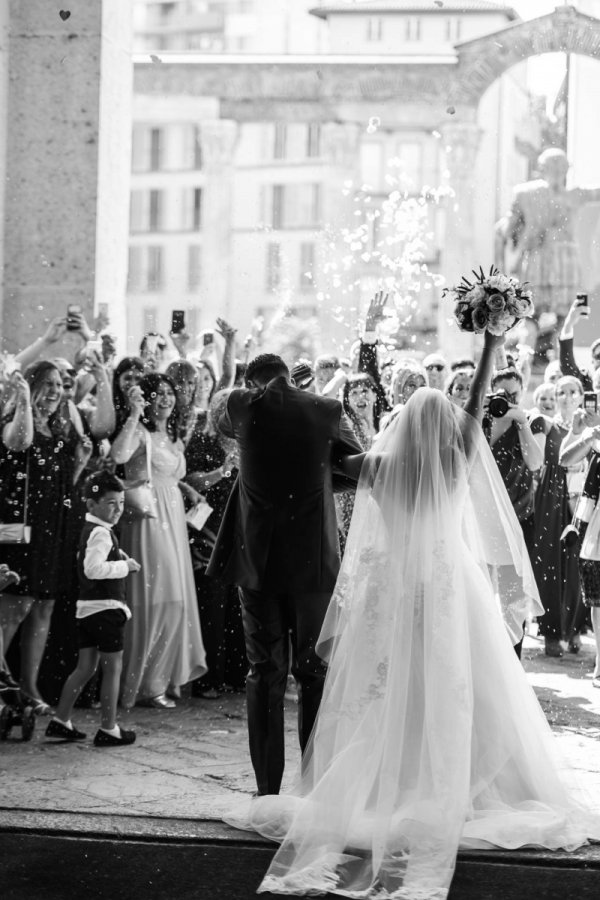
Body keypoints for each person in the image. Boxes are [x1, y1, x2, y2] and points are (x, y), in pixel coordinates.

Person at [229, 332, 600, 900]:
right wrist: (490, 343)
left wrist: (295, 430)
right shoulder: (456, 459)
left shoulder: (376, 466)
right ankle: (462, 780)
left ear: (400, 425)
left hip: (393, 590)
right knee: (459, 686)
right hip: (451, 590)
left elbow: (323, 465)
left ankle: (390, 781)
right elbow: (474, 406)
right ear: (445, 428)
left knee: (389, 687)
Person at [207, 353, 363, 796]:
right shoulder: (327, 410)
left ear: (251, 380)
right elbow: (355, 471)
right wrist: (314, 475)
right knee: (313, 672)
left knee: (264, 673)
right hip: (312, 562)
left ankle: (267, 790)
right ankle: (312, 786)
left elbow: (218, 420)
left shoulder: (240, 404)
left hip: (256, 562)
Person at [110, 373, 206, 709]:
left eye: (168, 393)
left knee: (176, 598)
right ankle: (143, 684)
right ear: (146, 399)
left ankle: (161, 678)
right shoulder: (140, 432)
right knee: (156, 597)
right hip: (149, 519)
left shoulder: (173, 436)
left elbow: (170, 477)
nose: (164, 399)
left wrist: (188, 489)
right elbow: (119, 458)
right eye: (156, 394)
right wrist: (134, 413)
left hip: (174, 518)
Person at [45, 471, 140, 747]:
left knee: (84, 668)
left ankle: (61, 720)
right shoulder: (101, 532)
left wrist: (119, 556)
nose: (118, 509)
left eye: (121, 503)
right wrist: (126, 567)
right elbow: (93, 569)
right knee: (112, 669)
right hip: (106, 610)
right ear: (91, 504)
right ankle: (109, 728)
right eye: (111, 503)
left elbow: (95, 557)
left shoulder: (94, 530)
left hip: (86, 611)